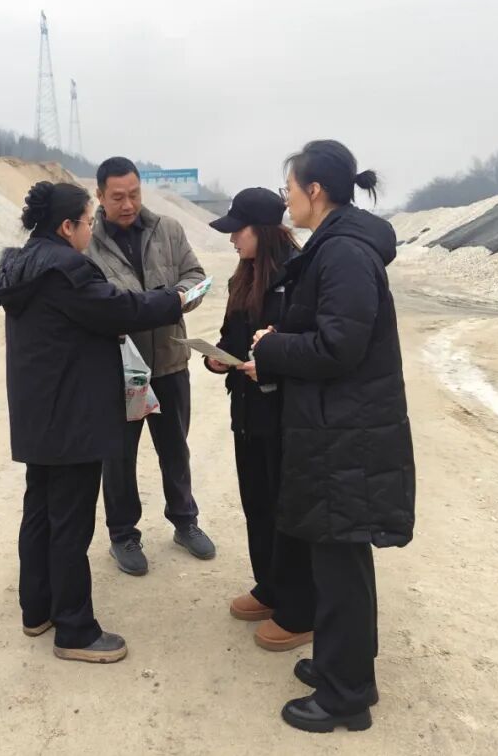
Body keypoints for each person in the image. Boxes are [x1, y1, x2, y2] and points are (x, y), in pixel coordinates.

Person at [250, 140, 416, 733]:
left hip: (346, 437)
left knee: (342, 565)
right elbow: (329, 331)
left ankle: (346, 698)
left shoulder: (343, 251)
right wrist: (280, 341)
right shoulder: (335, 245)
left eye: (290, 189)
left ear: (314, 190)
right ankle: (340, 667)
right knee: (337, 561)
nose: (287, 200)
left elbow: (340, 346)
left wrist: (274, 348)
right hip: (335, 430)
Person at [0, 180, 186, 664]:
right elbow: (119, 308)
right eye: (87, 221)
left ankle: (37, 609)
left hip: (39, 415)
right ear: (66, 226)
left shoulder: (23, 265)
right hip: (72, 417)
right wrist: (175, 300)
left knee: (40, 512)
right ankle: (75, 630)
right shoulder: (66, 268)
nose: (91, 229)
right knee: (70, 523)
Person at [86, 157, 216, 576]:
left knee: (175, 448)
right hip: (120, 370)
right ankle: (123, 534)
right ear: (100, 196)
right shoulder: (88, 243)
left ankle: (185, 521)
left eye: (134, 194)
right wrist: (138, 308)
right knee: (118, 457)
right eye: (117, 197)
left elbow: (196, 277)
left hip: (171, 362)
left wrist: (176, 298)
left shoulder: (168, 230)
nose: (128, 205)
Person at [203, 188, 316, 652]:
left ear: (262, 231)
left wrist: (267, 362)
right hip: (248, 411)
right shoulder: (244, 275)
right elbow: (232, 336)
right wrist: (217, 359)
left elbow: (308, 347)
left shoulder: (300, 274)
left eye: (238, 231)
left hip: (286, 414)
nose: (232, 239)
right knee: (257, 502)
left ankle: (301, 610)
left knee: (288, 509)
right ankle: (269, 587)